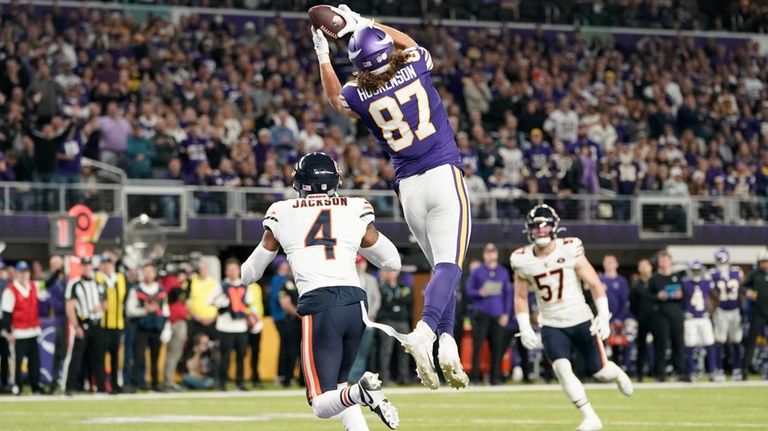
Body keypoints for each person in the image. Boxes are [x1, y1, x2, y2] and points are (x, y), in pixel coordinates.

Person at [314, 6, 470, 390]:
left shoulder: (359, 94)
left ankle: (445, 340)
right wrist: (364, 22)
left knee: (442, 273)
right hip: (442, 174)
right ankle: (426, 332)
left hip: (408, 189)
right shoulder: (415, 65)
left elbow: (335, 99)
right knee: (450, 267)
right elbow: (410, 44)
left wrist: (322, 55)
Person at [241, 152, 401, 429]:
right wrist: (351, 241)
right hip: (355, 305)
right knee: (339, 385)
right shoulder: (354, 207)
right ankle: (356, 402)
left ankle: (361, 392)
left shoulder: (283, 211)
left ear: (299, 183)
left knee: (321, 402)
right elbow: (392, 261)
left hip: (320, 303)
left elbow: (249, 273)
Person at [511, 204, 633, 431]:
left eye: (545, 226)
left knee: (601, 372)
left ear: (554, 227)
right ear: (529, 230)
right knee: (562, 370)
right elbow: (519, 296)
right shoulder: (521, 259)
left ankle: (617, 374)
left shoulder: (569, 248)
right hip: (551, 324)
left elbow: (595, 283)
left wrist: (604, 315)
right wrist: (525, 326)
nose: (540, 231)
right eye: (536, 227)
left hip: (580, 318)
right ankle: (590, 417)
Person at [465, 243, 512, 385]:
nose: (491, 255)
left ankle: (495, 377)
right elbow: (469, 290)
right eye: (488, 252)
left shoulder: (503, 271)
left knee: (497, 348)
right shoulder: (478, 271)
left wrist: (506, 313)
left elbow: (507, 294)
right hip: (482, 314)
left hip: (498, 315)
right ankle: (474, 378)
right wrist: (479, 293)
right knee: (478, 347)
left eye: (493, 252)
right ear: (484, 254)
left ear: (496, 254)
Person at [63, 256, 107, 395]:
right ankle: (70, 387)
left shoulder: (98, 283)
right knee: (77, 356)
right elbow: (70, 307)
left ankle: (101, 387)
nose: (86, 268)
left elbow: (106, 303)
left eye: (88, 265)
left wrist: (100, 307)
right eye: (84, 265)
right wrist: (76, 326)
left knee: (98, 357)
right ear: (81, 267)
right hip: (83, 323)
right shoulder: (74, 284)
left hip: (97, 323)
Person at [209, 258, 254, 391]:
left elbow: (249, 303)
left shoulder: (245, 286)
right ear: (226, 271)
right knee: (224, 356)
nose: (232, 272)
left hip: (240, 326)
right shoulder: (222, 286)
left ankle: (239, 382)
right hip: (225, 326)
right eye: (230, 270)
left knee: (241, 355)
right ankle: (221, 382)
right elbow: (210, 300)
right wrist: (221, 303)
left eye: (234, 269)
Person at [125, 263, 171, 392]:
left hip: (157, 327)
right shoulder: (136, 289)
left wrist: (167, 326)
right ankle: (137, 382)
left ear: (155, 274)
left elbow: (165, 309)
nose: (148, 274)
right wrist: (145, 310)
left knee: (155, 357)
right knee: (138, 356)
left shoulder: (161, 290)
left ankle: (156, 382)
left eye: (150, 272)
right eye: (145, 272)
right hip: (141, 327)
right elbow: (129, 310)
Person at [1, 261, 43, 394]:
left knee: (34, 362)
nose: (24, 275)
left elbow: (47, 284)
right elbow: (6, 313)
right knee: (17, 362)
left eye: (26, 272)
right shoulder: (10, 290)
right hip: (18, 332)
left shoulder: (33, 286)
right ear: (17, 274)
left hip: (33, 330)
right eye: (21, 272)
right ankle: (16, 385)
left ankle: (35, 386)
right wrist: (8, 331)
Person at [648, 249, 686, 381]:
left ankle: (680, 371)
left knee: (678, 344)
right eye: (661, 260)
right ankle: (660, 373)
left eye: (666, 260)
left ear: (670, 261)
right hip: (661, 315)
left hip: (676, 314)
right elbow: (648, 296)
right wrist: (658, 296)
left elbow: (685, 295)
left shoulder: (677, 277)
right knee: (661, 344)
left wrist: (680, 295)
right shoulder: (654, 278)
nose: (664, 262)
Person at [710, 247, 744, 380]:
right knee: (720, 341)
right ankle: (719, 369)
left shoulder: (736, 272)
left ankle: (737, 369)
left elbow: (741, 289)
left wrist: (742, 307)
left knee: (736, 340)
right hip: (721, 310)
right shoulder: (713, 273)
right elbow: (712, 294)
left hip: (734, 310)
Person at [95, 252, 127, 393]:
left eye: (109, 263)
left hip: (117, 323)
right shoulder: (97, 278)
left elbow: (120, 296)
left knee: (115, 358)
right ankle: (101, 385)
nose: (107, 266)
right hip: (102, 324)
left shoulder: (119, 278)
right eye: (104, 263)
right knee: (100, 357)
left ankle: (115, 384)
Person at [681, 260, 718, 381]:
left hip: (704, 317)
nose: (696, 273)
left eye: (698, 270)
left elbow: (714, 297)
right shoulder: (685, 283)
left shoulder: (707, 283)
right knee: (689, 345)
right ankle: (691, 372)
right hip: (690, 318)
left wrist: (711, 311)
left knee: (710, 343)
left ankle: (713, 370)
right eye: (694, 271)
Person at [377, 269, 412, 386]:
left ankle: (404, 377)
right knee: (386, 350)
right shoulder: (381, 287)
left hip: (402, 321)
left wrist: (393, 301)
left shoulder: (403, 286)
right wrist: (397, 302)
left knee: (404, 350)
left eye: (393, 271)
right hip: (388, 321)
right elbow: (383, 303)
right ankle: (385, 378)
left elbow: (408, 299)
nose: (391, 274)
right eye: (389, 271)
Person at [349, 255, 381, 381]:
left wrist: (371, 313)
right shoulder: (349, 279)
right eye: (357, 263)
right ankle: (350, 376)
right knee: (352, 349)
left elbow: (376, 299)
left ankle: (357, 376)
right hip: (352, 320)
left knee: (364, 350)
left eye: (361, 263)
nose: (359, 266)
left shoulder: (371, 280)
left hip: (368, 320)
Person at [599, 255, 633, 369]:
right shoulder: (599, 280)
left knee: (619, 345)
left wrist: (620, 318)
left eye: (611, 262)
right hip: (603, 319)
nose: (609, 264)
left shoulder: (622, 281)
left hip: (618, 319)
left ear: (616, 264)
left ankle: (620, 368)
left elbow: (625, 301)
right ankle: (603, 369)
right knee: (602, 345)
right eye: (607, 262)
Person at [740, 249, 768, 378]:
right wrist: (748, 292)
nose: (765, 264)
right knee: (751, 342)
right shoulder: (755, 274)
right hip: (758, 313)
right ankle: (745, 369)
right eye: (763, 262)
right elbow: (742, 287)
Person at [629, 258, 656, 381]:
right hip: (642, 318)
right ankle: (640, 373)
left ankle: (657, 371)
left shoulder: (656, 282)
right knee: (641, 346)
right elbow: (633, 304)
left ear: (650, 267)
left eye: (646, 266)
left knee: (658, 345)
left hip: (656, 319)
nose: (644, 269)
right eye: (641, 266)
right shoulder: (636, 286)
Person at [277, 269, 302, 388]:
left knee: (306, 352)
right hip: (293, 321)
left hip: (306, 322)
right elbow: (285, 303)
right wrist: (301, 314)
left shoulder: (307, 281)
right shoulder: (287, 284)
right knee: (290, 351)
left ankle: (304, 380)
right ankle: (287, 378)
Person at [186, 261, 219, 343]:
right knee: (193, 344)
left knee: (212, 346)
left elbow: (220, 303)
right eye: (201, 269)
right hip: (194, 321)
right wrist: (196, 317)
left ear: (208, 269)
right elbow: (185, 301)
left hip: (211, 321)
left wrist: (213, 318)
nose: (203, 271)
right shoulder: (191, 281)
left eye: (205, 268)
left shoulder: (214, 283)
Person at [246, 278, 264, 388]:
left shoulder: (257, 287)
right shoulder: (241, 286)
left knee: (255, 351)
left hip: (257, 323)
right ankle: (240, 377)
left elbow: (258, 305)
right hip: (245, 323)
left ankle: (255, 377)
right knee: (241, 352)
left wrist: (258, 319)